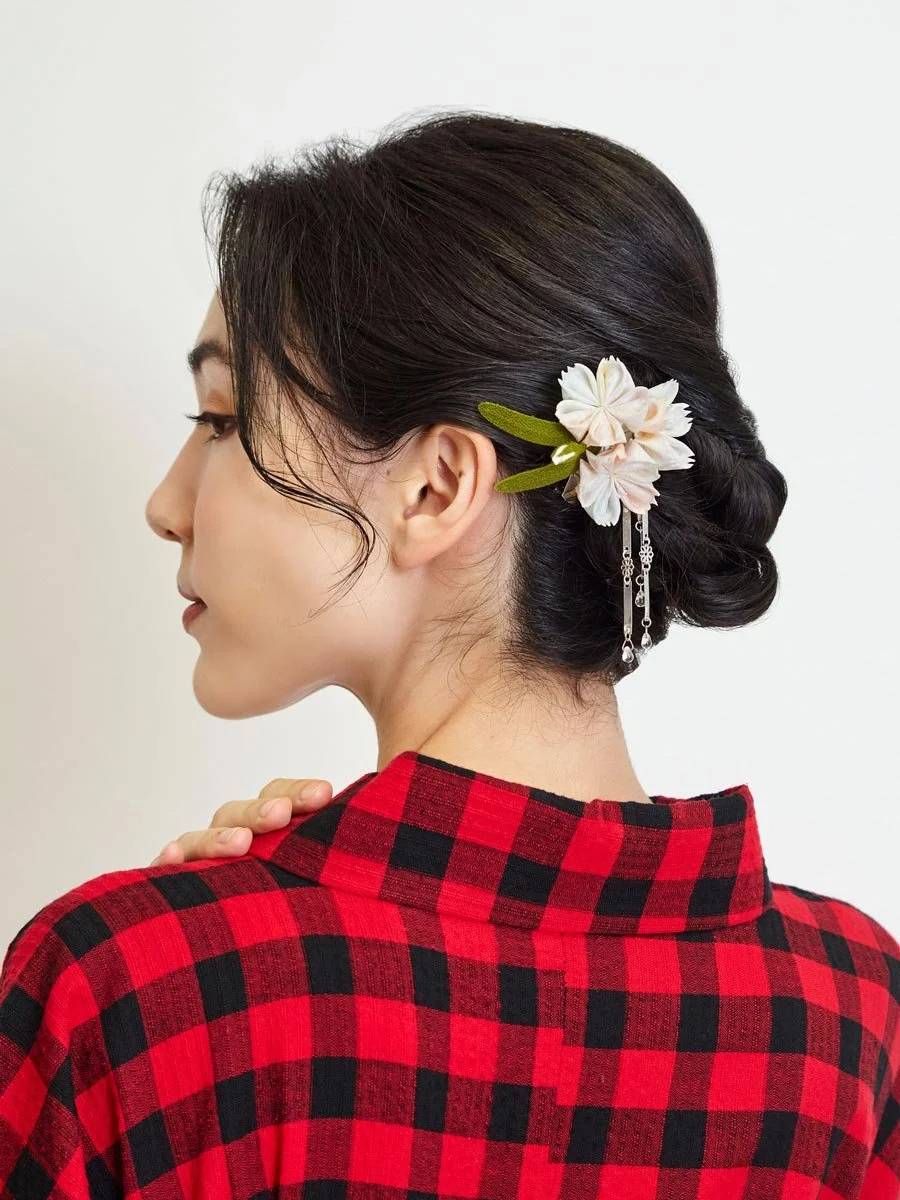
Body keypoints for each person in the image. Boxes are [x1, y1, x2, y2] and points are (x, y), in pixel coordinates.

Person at [2, 110, 898, 1198]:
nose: (165, 504)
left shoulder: (137, 987)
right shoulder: (854, 1015)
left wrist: (182, 955)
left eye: (224, 421)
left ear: (436, 487)